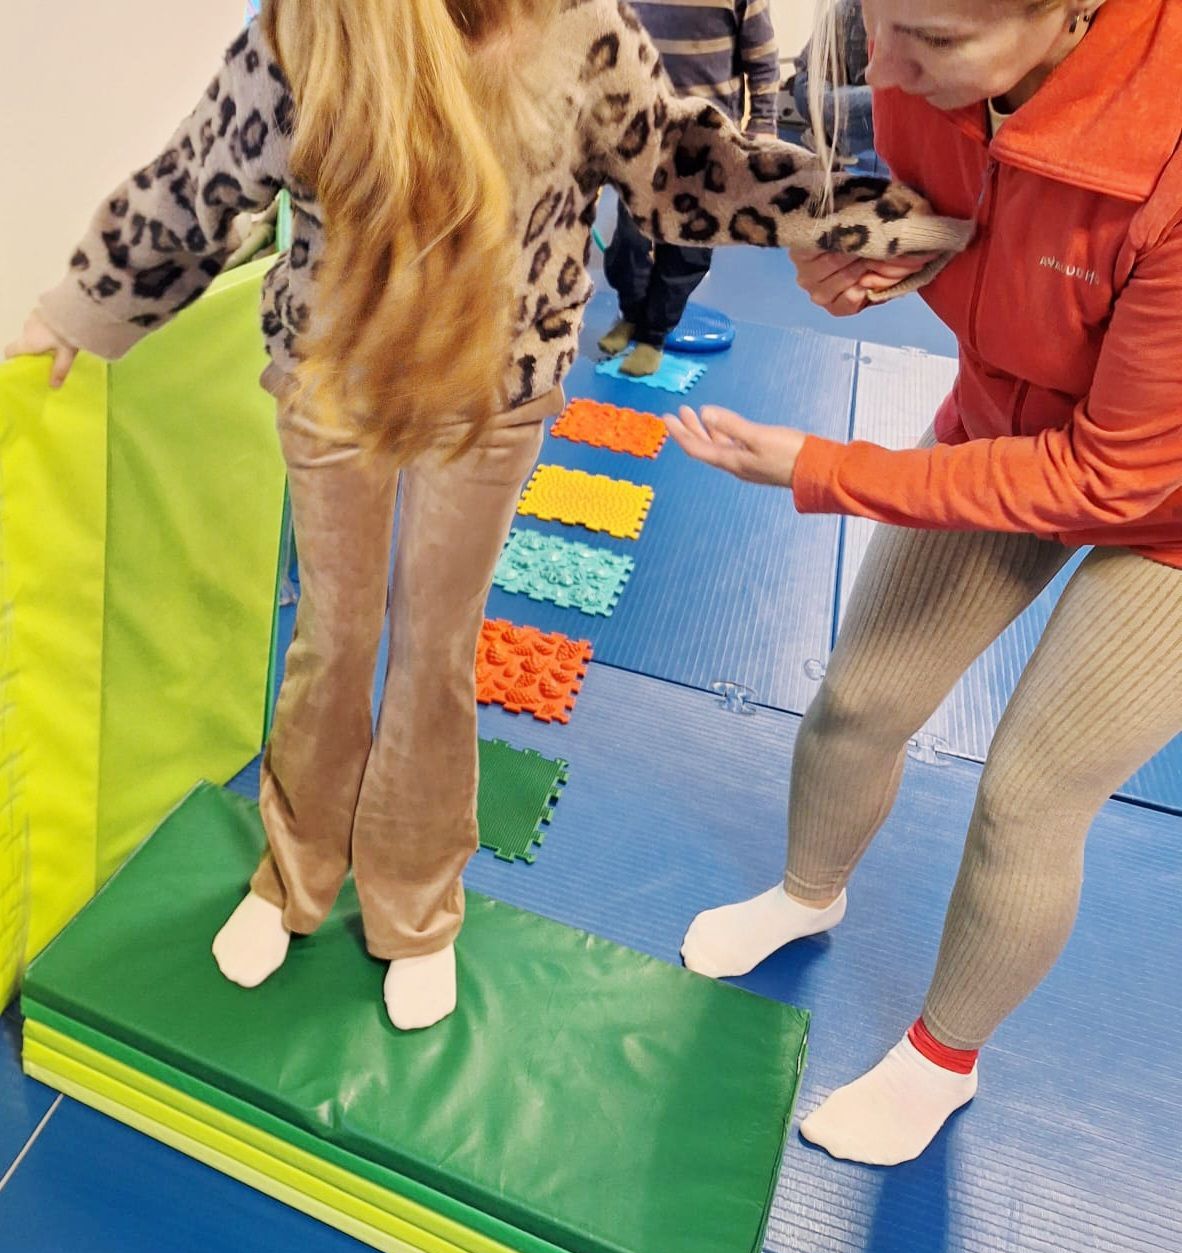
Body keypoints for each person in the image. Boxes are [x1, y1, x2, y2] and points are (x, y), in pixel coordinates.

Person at [5, 0, 971, 1035]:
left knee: (437, 650)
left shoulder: (580, 31)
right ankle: (291, 876)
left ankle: (417, 912)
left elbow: (688, 167)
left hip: (493, 387)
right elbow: (206, 171)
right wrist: (83, 301)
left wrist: (859, 210)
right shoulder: (313, 26)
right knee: (336, 641)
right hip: (338, 376)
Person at [671, 0, 1182, 1164]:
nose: (884, 66)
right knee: (858, 702)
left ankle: (942, 1063)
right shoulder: (914, 53)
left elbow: (1110, 479)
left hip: (1162, 503)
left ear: (1075, 14)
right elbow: (991, 216)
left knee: (1026, 796)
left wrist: (827, 467)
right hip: (1019, 412)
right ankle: (810, 892)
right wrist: (888, 251)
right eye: (876, 18)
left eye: (933, 43)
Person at [598, 0, 781, 378]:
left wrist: (764, 121)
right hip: (643, 133)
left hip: (705, 140)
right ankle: (632, 315)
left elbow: (762, 56)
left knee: (685, 253)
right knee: (628, 246)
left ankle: (653, 335)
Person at [791, 0, 876, 164]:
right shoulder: (863, 8)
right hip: (812, 83)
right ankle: (830, 138)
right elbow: (862, 74)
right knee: (886, 99)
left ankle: (831, 139)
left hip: (838, 88)